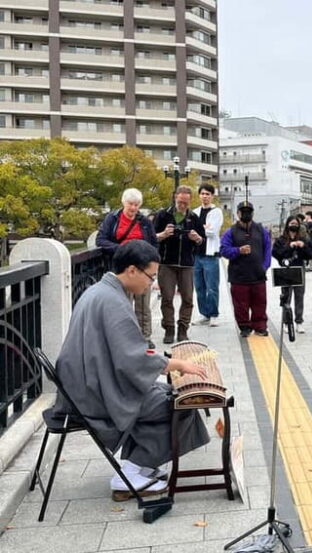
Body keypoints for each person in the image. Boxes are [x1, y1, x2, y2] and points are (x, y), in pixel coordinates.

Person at [53, 240, 210, 500]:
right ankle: (132, 472)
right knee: (183, 403)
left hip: (85, 385)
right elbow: (133, 360)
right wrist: (179, 364)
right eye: (150, 276)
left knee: (165, 391)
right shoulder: (113, 302)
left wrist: (159, 362)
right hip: (97, 395)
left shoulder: (98, 291)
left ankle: (140, 467)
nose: (152, 283)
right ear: (132, 270)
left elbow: (126, 352)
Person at [96, 188, 159, 348]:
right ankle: (124, 338)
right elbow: (101, 240)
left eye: (137, 205)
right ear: (124, 203)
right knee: (123, 304)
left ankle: (145, 338)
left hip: (142, 267)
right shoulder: (113, 219)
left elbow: (153, 244)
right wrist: (122, 249)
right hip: (122, 268)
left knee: (143, 306)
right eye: (131, 204)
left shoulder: (144, 222)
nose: (133, 208)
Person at [152, 186, 205, 343]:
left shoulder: (194, 218)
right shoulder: (163, 215)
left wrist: (198, 239)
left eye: (186, 203)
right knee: (167, 298)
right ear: (175, 198)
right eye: (180, 202)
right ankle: (169, 329)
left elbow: (203, 243)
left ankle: (183, 328)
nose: (182, 205)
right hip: (167, 263)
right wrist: (163, 235)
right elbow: (151, 238)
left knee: (188, 298)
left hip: (187, 264)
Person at [220, 201, 272, 337]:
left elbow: (267, 249)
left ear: (253, 213)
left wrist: (264, 267)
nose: (246, 214)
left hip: (258, 275)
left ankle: (260, 326)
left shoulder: (261, 230)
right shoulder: (230, 231)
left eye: (249, 211)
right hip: (238, 276)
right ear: (237, 213)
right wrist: (238, 251)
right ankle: (244, 326)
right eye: (243, 212)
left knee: (260, 303)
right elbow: (224, 250)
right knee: (240, 304)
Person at [272, 216, 312, 334]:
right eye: (291, 223)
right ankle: (286, 322)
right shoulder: (281, 239)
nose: (294, 225)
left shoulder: (303, 238)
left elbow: (310, 254)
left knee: (299, 296)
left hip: (299, 270)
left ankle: (299, 321)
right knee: (286, 297)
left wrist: (303, 246)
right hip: (285, 271)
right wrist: (289, 246)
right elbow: (276, 252)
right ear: (287, 224)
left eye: (296, 223)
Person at [192, 184, 223, 327]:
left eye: (208, 194)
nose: (205, 196)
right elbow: (191, 231)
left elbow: (212, 232)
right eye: (203, 193)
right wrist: (203, 228)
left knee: (212, 286)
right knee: (199, 287)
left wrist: (200, 229)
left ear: (212, 196)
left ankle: (214, 313)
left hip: (210, 254)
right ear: (199, 195)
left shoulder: (216, 212)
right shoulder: (194, 212)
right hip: (196, 255)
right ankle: (204, 313)